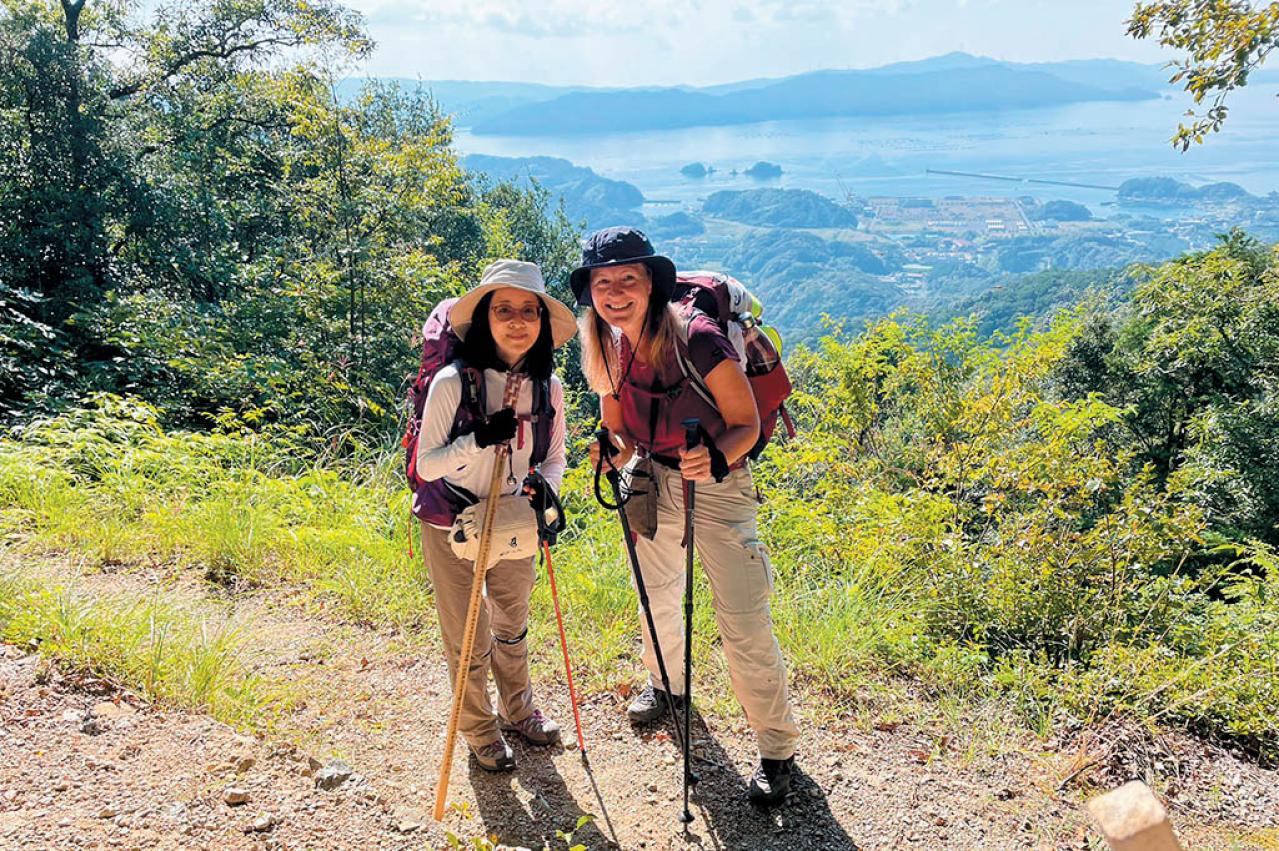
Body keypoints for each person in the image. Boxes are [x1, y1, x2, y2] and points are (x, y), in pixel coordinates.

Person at [572, 227, 800, 805]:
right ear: (590, 293)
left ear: (653, 283)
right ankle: (666, 687)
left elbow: (745, 424)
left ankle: (776, 748)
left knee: (742, 618)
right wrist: (611, 450)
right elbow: (620, 430)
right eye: (604, 283)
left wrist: (715, 455)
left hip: (719, 484)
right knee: (655, 592)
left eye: (629, 278)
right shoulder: (604, 343)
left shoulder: (698, 340)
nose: (616, 292)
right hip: (650, 476)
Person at [416, 259, 577, 771]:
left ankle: (519, 709)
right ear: (484, 316)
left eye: (528, 310)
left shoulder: (548, 388)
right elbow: (427, 463)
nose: (517, 320)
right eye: (503, 309)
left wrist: (543, 494)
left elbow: (553, 456)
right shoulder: (451, 382)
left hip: (514, 519)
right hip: (452, 519)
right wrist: (477, 439)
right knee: (466, 632)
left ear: (542, 322)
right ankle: (479, 730)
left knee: (512, 620)